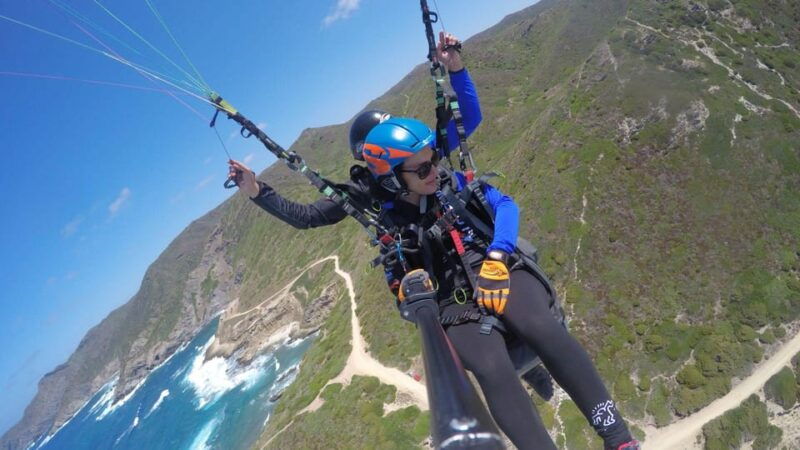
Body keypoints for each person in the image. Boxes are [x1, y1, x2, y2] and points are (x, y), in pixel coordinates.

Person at [228, 34, 639, 450]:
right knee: (493, 370)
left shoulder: (440, 172)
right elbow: (309, 217)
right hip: (450, 299)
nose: (433, 169)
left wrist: (455, 68)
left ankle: (618, 438)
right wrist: (257, 191)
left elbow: (482, 150)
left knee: (540, 327)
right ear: (387, 172)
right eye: (421, 167)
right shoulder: (368, 199)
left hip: (491, 262)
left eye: (433, 160)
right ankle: (534, 392)